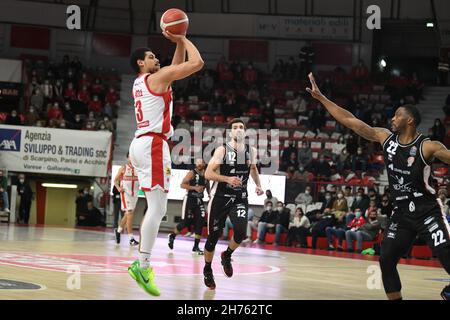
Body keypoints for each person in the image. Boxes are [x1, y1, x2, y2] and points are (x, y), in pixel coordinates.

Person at [307, 72, 450, 300]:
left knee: (446, 255)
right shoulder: (385, 138)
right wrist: (322, 98)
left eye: (397, 116)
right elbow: (350, 121)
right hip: (401, 213)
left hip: (427, 212)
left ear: (409, 120)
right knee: (386, 259)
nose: (392, 119)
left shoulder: (428, 146)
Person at [127, 31, 204, 297]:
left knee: (155, 207)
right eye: (151, 57)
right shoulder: (155, 78)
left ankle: (143, 262)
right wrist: (183, 37)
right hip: (153, 145)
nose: (156, 58)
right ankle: (143, 264)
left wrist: (178, 44)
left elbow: (173, 68)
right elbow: (197, 64)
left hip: (141, 143)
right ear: (140, 62)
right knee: (158, 208)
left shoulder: (142, 82)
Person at [202, 118, 264, 290]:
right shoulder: (222, 150)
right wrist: (227, 178)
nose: (238, 130)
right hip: (220, 197)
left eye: (241, 127)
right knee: (213, 237)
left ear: (245, 131)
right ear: (230, 132)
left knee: (240, 232)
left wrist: (258, 185)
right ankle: (207, 268)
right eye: (235, 127)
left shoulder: (251, 151)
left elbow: (253, 169)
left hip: (239, 198)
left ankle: (227, 255)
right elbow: (208, 173)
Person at [168, 159, 208, 254]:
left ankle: (196, 247)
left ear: (204, 163)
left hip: (199, 200)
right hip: (190, 199)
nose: (198, 164)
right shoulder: (192, 173)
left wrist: (210, 195)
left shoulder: (206, 174)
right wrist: (194, 188)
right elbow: (182, 184)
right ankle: (172, 236)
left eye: (200, 162)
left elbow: (207, 186)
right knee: (185, 223)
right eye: (197, 163)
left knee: (200, 223)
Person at [114, 153, 140, 246]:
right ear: (128, 157)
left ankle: (118, 230)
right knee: (129, 213)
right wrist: (118, 188)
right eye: (130, 156)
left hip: (135, 194)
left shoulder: (139, 168)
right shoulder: (123, 168)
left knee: (127, 214)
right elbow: (115, 180)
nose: (132, 158)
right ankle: (131, 238)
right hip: (126, 194)